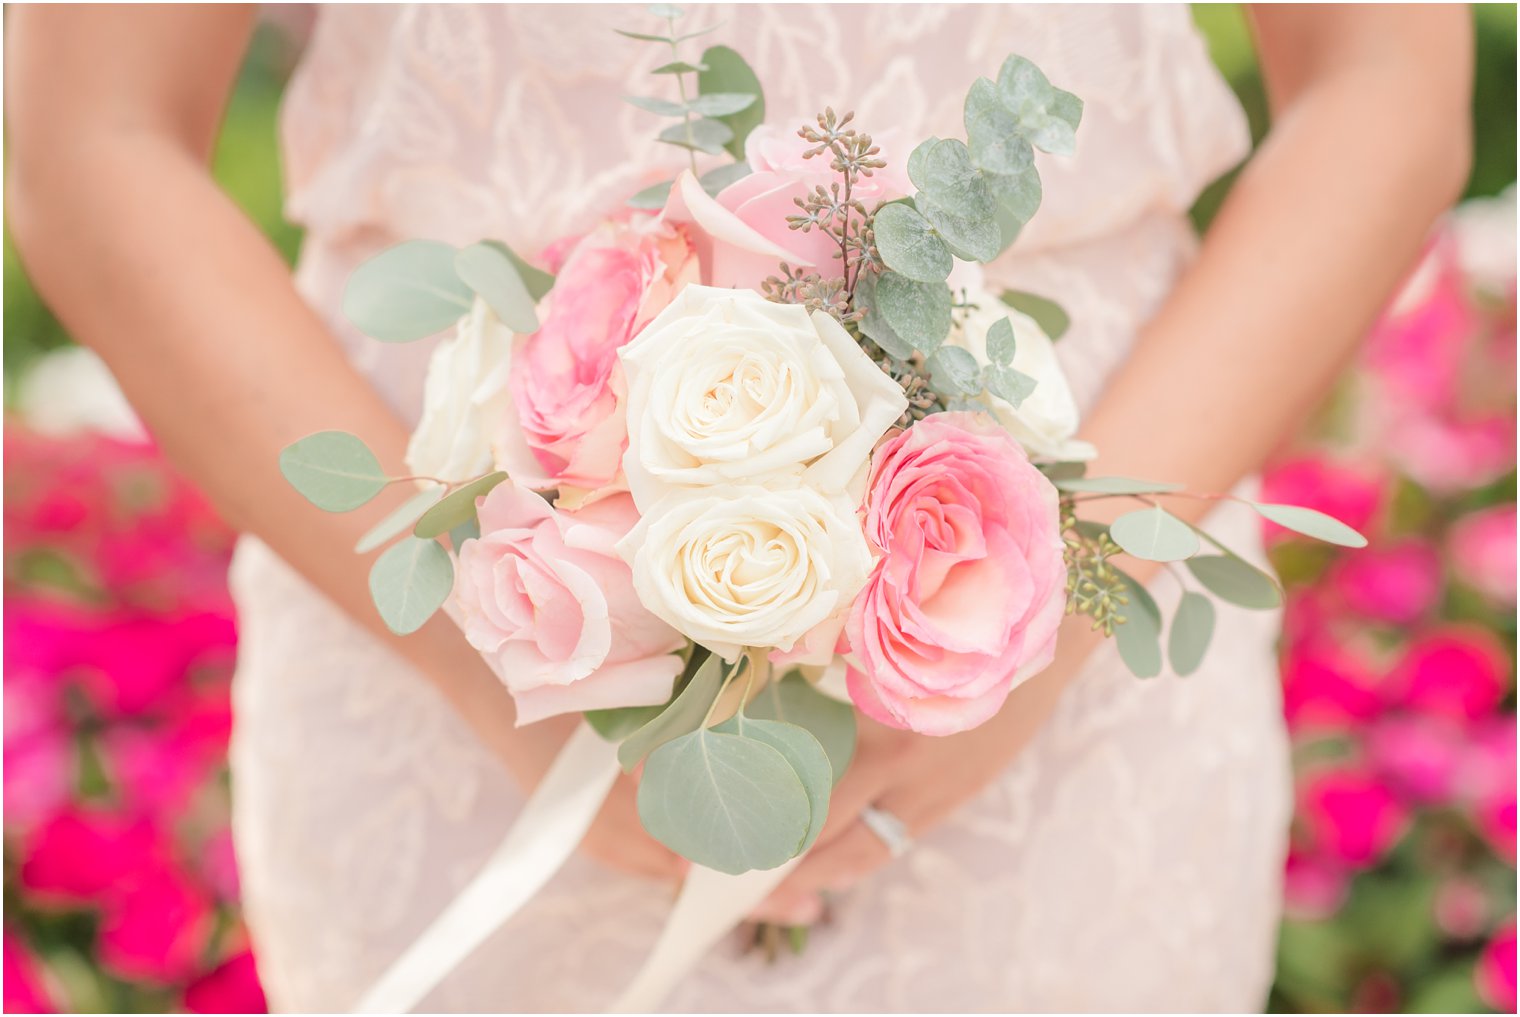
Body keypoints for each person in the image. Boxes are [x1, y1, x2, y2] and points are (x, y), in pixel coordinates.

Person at [6, 4, 1471, 1010]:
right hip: (442, 696)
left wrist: (1038, 609)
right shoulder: (464, 659)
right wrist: (496, 648)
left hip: (1072, 728)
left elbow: (1385, 83)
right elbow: (93, 135)